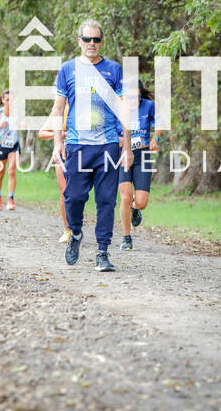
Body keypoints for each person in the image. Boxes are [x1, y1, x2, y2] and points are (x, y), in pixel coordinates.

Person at [51, 19, 133, 272]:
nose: (92, 43)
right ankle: (75, 233)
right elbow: (58, 109)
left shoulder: (113, 69)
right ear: (80, 41)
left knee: (106, 200)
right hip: (77, 144)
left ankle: (102, 252)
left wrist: (127, 147)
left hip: (108, 145)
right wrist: (57, 142)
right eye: (87, 39)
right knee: (73, 197)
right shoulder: (67, 69)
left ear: (101, 42)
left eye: (96, 39)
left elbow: (124, 109)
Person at [117, 80, 161, 251]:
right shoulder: (119, 109)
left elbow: (159, 123)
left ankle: (135, 209)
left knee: (141, 202)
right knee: (126, 197)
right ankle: (126, 238)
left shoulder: (148, 106)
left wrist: (155, 138)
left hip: (142, 155)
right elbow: (110, 131)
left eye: (136, 96)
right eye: (129, 96)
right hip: (123, 155)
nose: (132, 100)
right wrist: (122, 141)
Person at [38, 102, 70, 243]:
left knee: (79, 194)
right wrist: (57, 134)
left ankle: (76, 224)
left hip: (82, 154)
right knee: (65, 192)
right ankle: (68, 230)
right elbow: (42, 133)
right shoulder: (58, 110)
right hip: (62, 154)